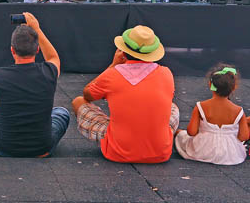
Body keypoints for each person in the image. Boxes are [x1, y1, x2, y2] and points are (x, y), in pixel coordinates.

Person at [71, 25, 179, 163]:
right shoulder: (166, 73)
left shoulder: (112, 74)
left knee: (78, 102)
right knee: (173, 107)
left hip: (118, 152)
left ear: (122, 50)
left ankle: (117, 132)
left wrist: (113, 65)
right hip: (161, 154)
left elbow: (87, 94)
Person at [0, 12, 70, 157]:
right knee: (62, 112)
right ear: (37, 49)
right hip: (43, 147)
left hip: (6, 147)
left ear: (12, 50)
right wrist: (37, 29)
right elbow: (53, 57)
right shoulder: (49, 72)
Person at [175, 65, 249, 165]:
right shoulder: (239, 110)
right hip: (231, 155)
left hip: (202, 151)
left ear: (210, 84)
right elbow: (244, 136)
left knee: (180, 134)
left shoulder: (201, 106)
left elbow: (191, 132)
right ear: (234, 87)